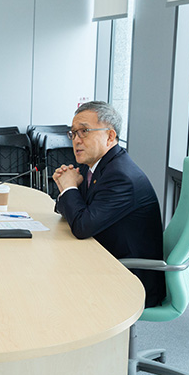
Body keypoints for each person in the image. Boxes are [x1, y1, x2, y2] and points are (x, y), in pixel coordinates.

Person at [53, 101, 166, 308]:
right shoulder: (96, 165)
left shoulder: (121, 176)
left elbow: (81, 226)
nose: (76, 140)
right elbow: (72, 212)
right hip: (106, 257)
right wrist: (68, 190)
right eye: (73, 133)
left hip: (129, 277)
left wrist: (69, 188)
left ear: (110, 136)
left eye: (84, 131)